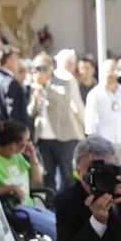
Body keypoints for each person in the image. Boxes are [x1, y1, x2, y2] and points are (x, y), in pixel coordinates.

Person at [0, 119, 57, 241]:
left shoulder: (17, 156)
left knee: (62, 223)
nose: (29, 144)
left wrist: (33, 157)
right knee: (56, 229)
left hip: (29, 207)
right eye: (26, 141)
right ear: (13, 145)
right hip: (15, 211)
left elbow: (37, 179)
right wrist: (11, 188)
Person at [27, 53, 86, 191]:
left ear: (51, 67)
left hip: (63, 137)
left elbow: (62, 101)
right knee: (48, 175)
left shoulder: (63, 80)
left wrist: (46, 85)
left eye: (42, 68)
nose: (39, 72)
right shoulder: (35, 86)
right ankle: (50, 206)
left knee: (68, 176)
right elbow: (31, 112)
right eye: (36, 68)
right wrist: (36, 98)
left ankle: (69, 207)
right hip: (42, 138)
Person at [84, 60, 121, 169]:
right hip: (103, 145)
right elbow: (90, 125)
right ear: (102, 72)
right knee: (106, 177)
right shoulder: (94, 94)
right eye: (109, 70)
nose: (112, 73)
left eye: (114, 70)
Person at [0, 49, 32, 132]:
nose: (19, 63)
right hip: (11, 136)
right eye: (17, 59)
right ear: (8, 61)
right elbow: (15, 116)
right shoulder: (11, 83)